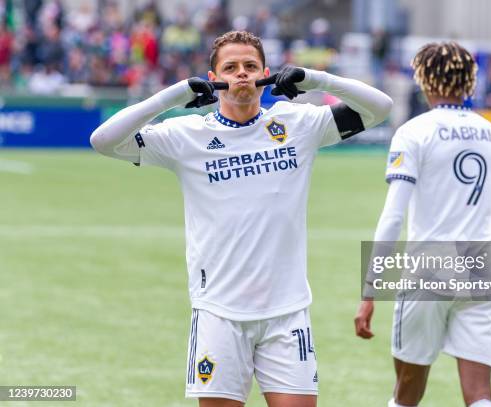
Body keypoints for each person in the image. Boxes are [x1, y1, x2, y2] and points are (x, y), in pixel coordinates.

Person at [90, 30, 392, 407]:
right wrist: (175, 94)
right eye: (230, 68)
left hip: (287, 311)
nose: (242, 74)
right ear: (213, 80)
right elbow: (103, 141)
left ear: (266, 73)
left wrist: (315, 80)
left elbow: (380, 107)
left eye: (250, 66)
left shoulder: (299, 124)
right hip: (219, 313)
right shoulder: (187, 136)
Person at [354, 42, 491, 407]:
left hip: (429, 269)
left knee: (406, 391)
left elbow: (393, 217)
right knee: (480, 394)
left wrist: (369, 290)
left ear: (424, 79)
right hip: (482, 267)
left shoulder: (414, 131)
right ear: (470, 81)